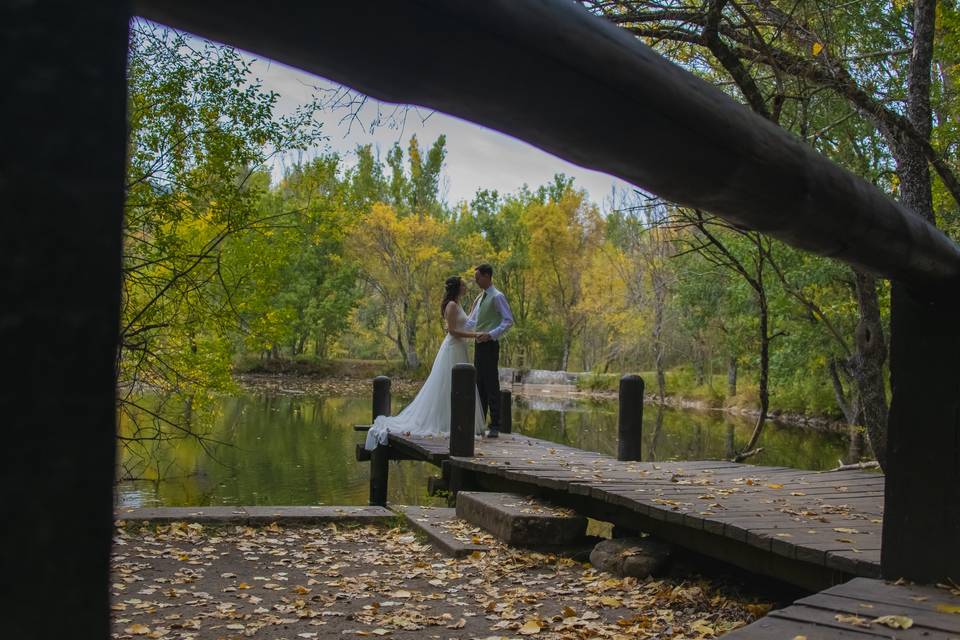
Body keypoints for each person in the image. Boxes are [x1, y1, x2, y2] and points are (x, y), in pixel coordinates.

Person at [364, 276, 486, 450]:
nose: (466, 287)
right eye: (464, 285)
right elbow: (453, 331)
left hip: (460, 349)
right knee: (446, 385)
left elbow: (467, 323)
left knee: (458, 385)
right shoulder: (451, 306)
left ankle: (455, 422)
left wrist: (475, 304)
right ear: (457, 288)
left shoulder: (457, 305)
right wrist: (475, 335)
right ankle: (444, 423)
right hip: (452, 348)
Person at [467, 263, 515, 438]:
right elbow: (472, 322)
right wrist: (455, 328)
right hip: (479, 346)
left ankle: (495, 424)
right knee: (479, 383)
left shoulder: (497, 296)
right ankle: (480, 424)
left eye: (478, 277)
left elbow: (508, 320)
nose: (476, 281)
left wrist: (491, 334)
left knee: (491, 383)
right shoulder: (480, 298)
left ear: (487, 276)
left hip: (490, 345)